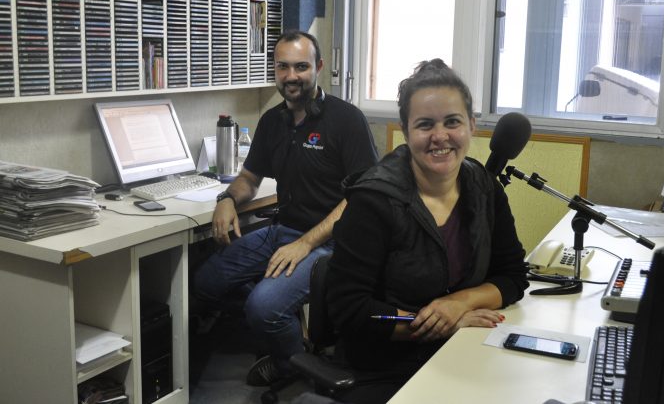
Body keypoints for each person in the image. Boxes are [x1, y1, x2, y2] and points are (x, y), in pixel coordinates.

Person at [326, 59, 529, 403]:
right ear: (406, 132)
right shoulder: (373, 200)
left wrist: (458, 303)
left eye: (452, 122)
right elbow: (350, 309)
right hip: (383, 366)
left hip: (463, 349)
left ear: (471, 125)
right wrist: (439, 324)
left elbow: (512, 275)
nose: (440, 136)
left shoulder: (484, 187)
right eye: (425, 125)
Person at [194, 30, 378, 386]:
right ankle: (285, 326)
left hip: (331, 243)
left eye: (301, 67)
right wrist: (227, 199)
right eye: (282, 67)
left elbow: (361, 196)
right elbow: (250, 177)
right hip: (283, 231)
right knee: (206, 282)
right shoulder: (272, 121)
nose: (291, 76)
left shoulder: (346, 120)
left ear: (318, 67)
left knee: (263, 307)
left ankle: (289, 362)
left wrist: (305, 243)